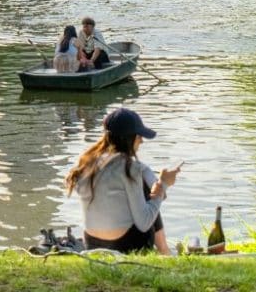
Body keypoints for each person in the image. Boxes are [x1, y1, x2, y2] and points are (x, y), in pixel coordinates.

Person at [65, 107, 181, 254]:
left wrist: (159, 189)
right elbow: (144, 223)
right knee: (148, 194)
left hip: (92, 243)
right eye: (139, 136)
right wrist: (163, 184)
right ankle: (165, 251)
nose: (142, 141)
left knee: (145, 195)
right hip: (125, 244)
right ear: (129, 138)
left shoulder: (86, 164)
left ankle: (165, 250)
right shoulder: (131, 169)